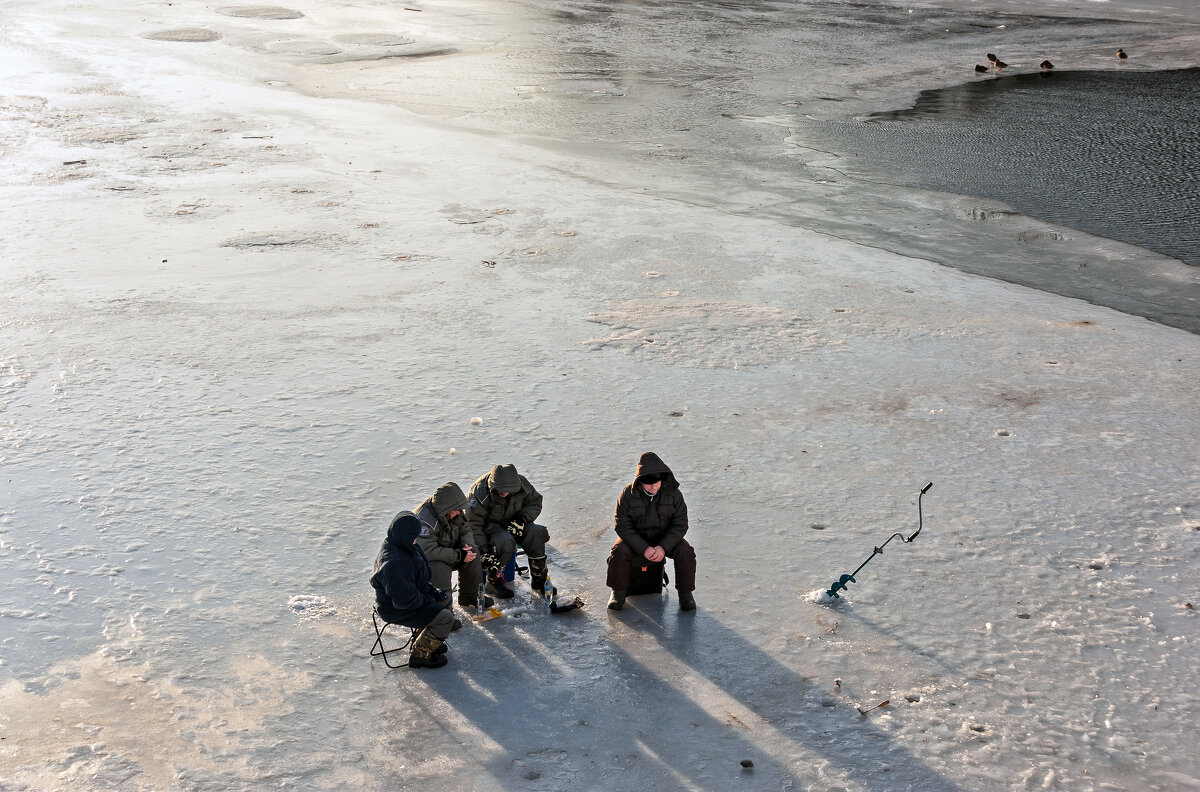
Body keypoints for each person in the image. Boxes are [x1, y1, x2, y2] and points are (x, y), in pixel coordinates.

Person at [607, 452, 696, 612]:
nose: (654, 487)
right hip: (636, 539)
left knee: (686, 551)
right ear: (640, 481)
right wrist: (644, 548)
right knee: (619, 551)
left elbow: (680, 524)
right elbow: (622, 525)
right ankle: (617, 593)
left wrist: (663, 547)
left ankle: (686, 595)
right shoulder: (627, 494)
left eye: (657, 483)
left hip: (664, 537)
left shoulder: (673, 494)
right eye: (649, 484)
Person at [370, 511, 456, 669]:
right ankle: (420, 654)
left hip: (410, 597)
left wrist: (432, 591)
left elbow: (417, 579)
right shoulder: (395, 563)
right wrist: (429, 601)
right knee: (445, 617)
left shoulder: (403, 544)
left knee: (445, 597)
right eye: (414, 536)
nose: (417, 539)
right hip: (397, 608)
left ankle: (425, 639)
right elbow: (405, 600)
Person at [466, 463, 552, 599]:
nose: (504, 493)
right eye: (500, 490)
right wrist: (484, 550)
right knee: (504, 541)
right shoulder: (478, 493)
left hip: (516, 521)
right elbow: (473, 525)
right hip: (491, 527)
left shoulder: (522, 484)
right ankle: (494, 582)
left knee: (536, 533)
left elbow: (535, 502)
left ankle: (539, 578)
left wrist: (522, 520)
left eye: (508, 490)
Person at [414, 482, 487, 624]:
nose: (460, 513)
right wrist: (459, 554)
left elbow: (466, 530)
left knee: (473, 552)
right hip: (428, 562)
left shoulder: (454, 512)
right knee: (439, 567)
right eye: (457, 510)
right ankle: (443, 614)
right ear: (446, 509)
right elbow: (427, 552)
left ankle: (470, 596)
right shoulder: (425, 521)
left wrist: (467, 547)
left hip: (450, 551)